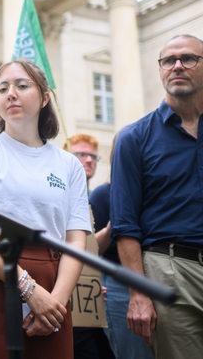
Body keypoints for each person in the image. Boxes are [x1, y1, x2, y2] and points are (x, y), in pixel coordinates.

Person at [0, 59, 90, 359]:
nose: (11, 93)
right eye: (2, 88)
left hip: (53, 287)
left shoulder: (69, 165)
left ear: (44, 96)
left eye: (22, 86)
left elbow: (76, 239)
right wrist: (28, 288)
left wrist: (56, 304)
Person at [110, 34, 203, 359]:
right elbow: (125, 224)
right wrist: (139, 293)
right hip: (171, 270)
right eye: (168, 60)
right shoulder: (134, 138)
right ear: (160, 69)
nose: (177, 66)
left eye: (188, 58)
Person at [88, 134, 153, 359]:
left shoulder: (152, 193)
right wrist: (110, 230)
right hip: (117, 285)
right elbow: (88, 249)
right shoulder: (103, 194)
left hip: (154, 278)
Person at [64, 133, 115, 359]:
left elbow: (92, 249)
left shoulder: (92, 196)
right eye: (81, 154)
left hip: (88, 297)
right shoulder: (59, 196)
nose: (89, 160)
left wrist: (90, 280)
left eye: (93, 156)